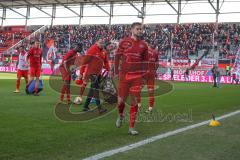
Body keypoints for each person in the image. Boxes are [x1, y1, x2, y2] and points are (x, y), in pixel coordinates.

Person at [114, 22, 148, 135]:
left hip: (137, 77)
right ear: (132, 30)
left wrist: (144, 76)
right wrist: (115, 71)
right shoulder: (124, 42)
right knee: (120, 102)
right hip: (124, 76)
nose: (140, 31)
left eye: (141, 29)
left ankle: (131, 128)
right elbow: (117, 57)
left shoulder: (144, 45)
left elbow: (145, 62)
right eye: (138, 29)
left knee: (134, 102)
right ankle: (121, 115)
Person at [81, 39, 109, 114]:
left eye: (103, 43)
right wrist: (81, 72)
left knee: (92, 90)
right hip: (91, 73)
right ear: (96, 43)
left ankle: (85, 106)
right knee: (96, 89)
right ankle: (99, 108)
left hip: (98, 73)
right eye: (100, 43)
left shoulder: (104, 51)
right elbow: (84, 61)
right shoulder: (92, 49)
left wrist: (108, 69)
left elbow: (106, 61)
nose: (102, 44)